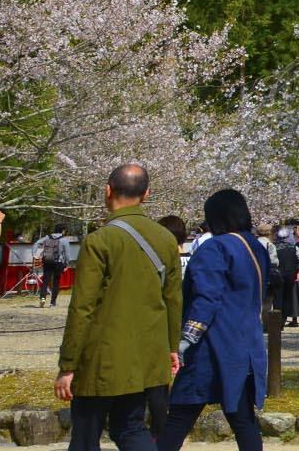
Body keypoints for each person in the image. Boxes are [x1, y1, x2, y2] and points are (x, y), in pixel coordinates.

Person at [57, 164, 183, 451]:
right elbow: (174, 300)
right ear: (146, 194)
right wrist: (172, 347)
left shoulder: (100, 240)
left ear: (108, 190)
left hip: (101, 357)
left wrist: (68, 365)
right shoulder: (166, 240)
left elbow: (82, 308)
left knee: (86, 436)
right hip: (146, 356)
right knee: (131, 428)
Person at [156, 189, 270, 451]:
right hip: (246, 346)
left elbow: (206, 299)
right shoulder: (254, 246)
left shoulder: (216, 247)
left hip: (211, 348)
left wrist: (185, 340)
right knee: (243, 420)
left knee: (179, 417)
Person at [34, 225, 73, 308]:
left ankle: (43, 298)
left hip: (47, 261)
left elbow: (37, 243)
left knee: (45, 280)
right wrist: (66, 264)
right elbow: (67, 254)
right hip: (58, 263)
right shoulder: (64, 240)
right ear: (62, 231)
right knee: (56, 282)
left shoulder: (47, 237)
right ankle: (53, 303)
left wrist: (34, 254)